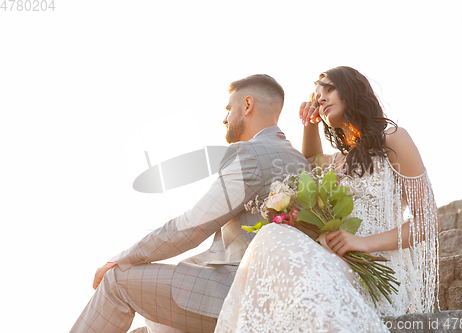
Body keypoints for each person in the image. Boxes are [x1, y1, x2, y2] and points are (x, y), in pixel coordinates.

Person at [70, 74, 309, 333]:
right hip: (282, 294)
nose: (225, 118)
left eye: (229, 108)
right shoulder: (303, 163)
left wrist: (119, 259)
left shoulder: (250, 154)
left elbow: (192, 226)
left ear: (248, 105)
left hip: (240, 292)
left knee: (117, 281)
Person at [214, 66, 439, 332]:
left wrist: (363, 243)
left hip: (378, 270)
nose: (320, 98)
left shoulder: (393, 139)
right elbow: (309, 163)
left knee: (274, 240)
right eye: (317, 94)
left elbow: (428, 220)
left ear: (353, 90)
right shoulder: (341, 160)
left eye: (329, 89)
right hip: (339, 264)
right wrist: (310, 125)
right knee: (271, 235)